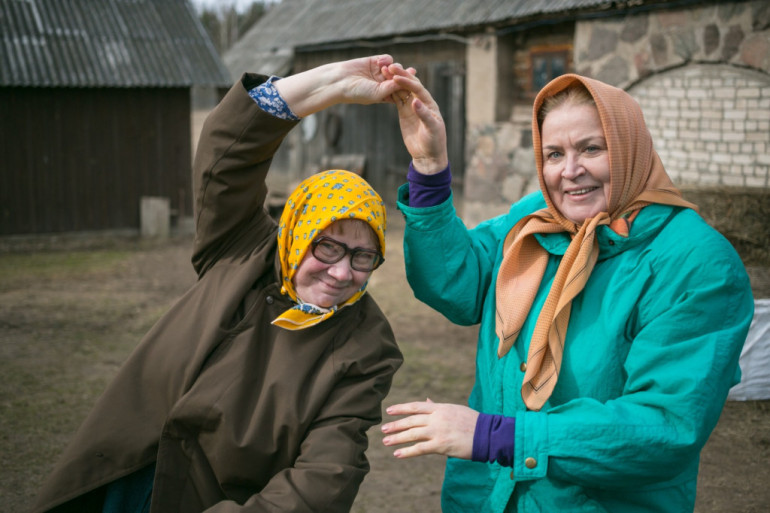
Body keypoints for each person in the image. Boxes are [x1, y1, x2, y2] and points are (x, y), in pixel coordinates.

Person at [32, 55, 407, 513]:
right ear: (295, 237)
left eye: (363, 256)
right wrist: (329, 83)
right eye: (326, 247)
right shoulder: (239, 249)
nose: (342, 272)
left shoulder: (365, 345)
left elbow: (325, 479)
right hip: (118, 473)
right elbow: (226, 154)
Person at [378, 65, 755, 512]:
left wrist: (497, 437)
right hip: (489, 497)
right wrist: (429, 168)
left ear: (630, 146)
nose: (570, 171)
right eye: (554, 154)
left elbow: (666, 425)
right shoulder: (538, 217)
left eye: (592, 148)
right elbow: (458, 284)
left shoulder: (695, 262)